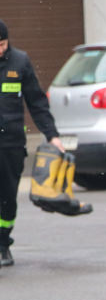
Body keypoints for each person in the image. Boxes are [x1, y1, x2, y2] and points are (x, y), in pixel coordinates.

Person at [0, 19, 65, 267]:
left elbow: (37, 102)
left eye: (3, 44)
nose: (0, 50)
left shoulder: (20, 62)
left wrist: (52, 135)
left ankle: (3, 242)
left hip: (11, 144)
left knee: (7, 197)